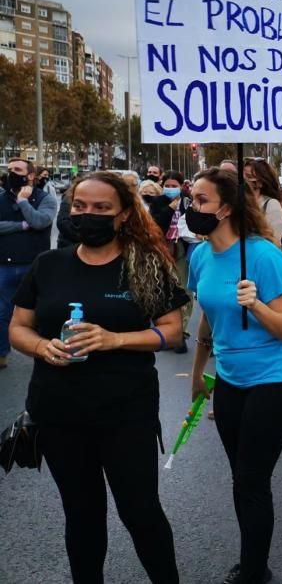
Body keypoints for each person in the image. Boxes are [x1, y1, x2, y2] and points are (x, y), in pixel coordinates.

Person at [8, 171, 187, 584]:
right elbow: (19, 328)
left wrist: (113, 339)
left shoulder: (145, 264)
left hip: (125, 414)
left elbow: (172, 331)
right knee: (82, 515)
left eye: (101, 209)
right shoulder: (48, 264)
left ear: (124, 214)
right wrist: (41, 347)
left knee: (140, 513)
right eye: (80, 206)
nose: (87, 215)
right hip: (58, 414)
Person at [185, 168, 282, 584]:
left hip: (276, 377)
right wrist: (199, 374)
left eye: (200, 200)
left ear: (226, 208)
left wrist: (255, 304)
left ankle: (255, 571)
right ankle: (252, 558)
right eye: (191, 198)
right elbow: (208, 320)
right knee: (241, 476)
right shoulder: (201, 256)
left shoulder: (263, 255)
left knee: (253, 477)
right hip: (231, 379)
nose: (192, 207)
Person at [1, 157, 56, 370]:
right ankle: (1, 352)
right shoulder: (2, 198)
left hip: (35, 264)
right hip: (4, 264)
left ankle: (44, 350)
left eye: (17, 169)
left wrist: (23, 202)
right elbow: (29, 224)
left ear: (30, 175)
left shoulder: (45, 198)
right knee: (2, 312)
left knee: (41, 311)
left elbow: (40, 221)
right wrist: (21, 225)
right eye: (9, 169)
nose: (11, 172)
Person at [150, 170, 192, 351]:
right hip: (162, 249)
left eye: (174, 186)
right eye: (167, 185)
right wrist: (169, 209)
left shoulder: (188, 201)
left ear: (181, 186)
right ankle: (167, 330)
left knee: (184, 289)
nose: (170, 189)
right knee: (164, 288)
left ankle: (182, 332)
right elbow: (155, 224)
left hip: (182, 249)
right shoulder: (158, 202)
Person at [245, 158, 282, 246]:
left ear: (260, 182)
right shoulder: (240, 203)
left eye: (248, 176)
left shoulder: (271, 205)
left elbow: (274, 241)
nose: (244, 180)